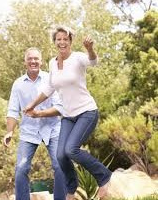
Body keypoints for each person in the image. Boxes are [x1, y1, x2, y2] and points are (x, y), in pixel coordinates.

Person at [24, 26, 112, 200]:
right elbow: (49, 87)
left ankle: (104, 176)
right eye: (59, 39)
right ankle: (71, 189)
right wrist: (32, 105)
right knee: (60, 155)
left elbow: (93, 61)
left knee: (71, 150)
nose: (62, 42)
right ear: (55, 42)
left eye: (66, 39)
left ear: (70, 41)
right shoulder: (52, 63)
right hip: (68, 115)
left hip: (87, 111)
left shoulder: (78, 57)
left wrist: (90, 49)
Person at [3, 47, 66, 200]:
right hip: (28, 132)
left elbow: (60, 108)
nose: (33, 61)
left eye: (36, 58)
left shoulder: (50, 79)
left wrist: (39, 114)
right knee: (21, 168)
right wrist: (9, 131)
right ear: (25, 62)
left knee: (59, 166)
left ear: (41, 61)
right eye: (30, 59)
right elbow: (12, 110)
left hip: (52, 129)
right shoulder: (18, 84)